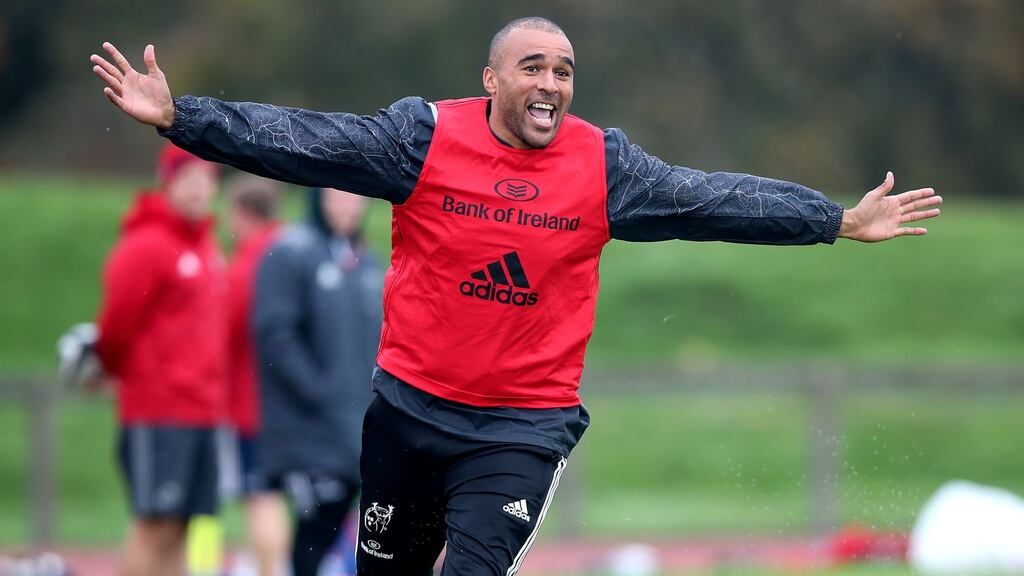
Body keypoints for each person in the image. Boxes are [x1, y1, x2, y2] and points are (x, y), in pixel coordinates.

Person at [91, 16, 942, 576]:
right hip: (409, 412)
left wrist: (832, 218)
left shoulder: (602, 166)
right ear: (491, 79)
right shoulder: (421, 138)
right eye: (532, 65)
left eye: (565, 71)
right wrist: (182, 118)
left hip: (520, 427)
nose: (552, 83)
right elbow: (307, 144)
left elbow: (707, 196)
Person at [93, 142, 225, 576]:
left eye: (208, 180)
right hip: (159, 408)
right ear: (167, 182)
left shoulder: (206, 247)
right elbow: (114, 327)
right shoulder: (146, 245)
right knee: (154, 523)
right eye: (189, 179)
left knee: (181, 528)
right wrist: (113, 371)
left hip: (202, 409)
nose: (200, 190)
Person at [253, 187, 383, 576]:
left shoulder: (367, 261)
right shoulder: (291, 253)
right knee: (313, 535)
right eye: (336, 196)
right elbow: (275, 336)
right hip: (308, 433)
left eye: (355, 195)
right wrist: (321, 390)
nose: (347, 204)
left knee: (384, 536)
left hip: (357, 430)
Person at [222, 174, 289, 576]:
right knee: (275, 496)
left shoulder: (247, 263)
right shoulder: (293, 252)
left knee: (260, 496)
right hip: (288, 402)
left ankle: (270, 569)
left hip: (252, 402)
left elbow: (225, 330)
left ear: (245, 214)